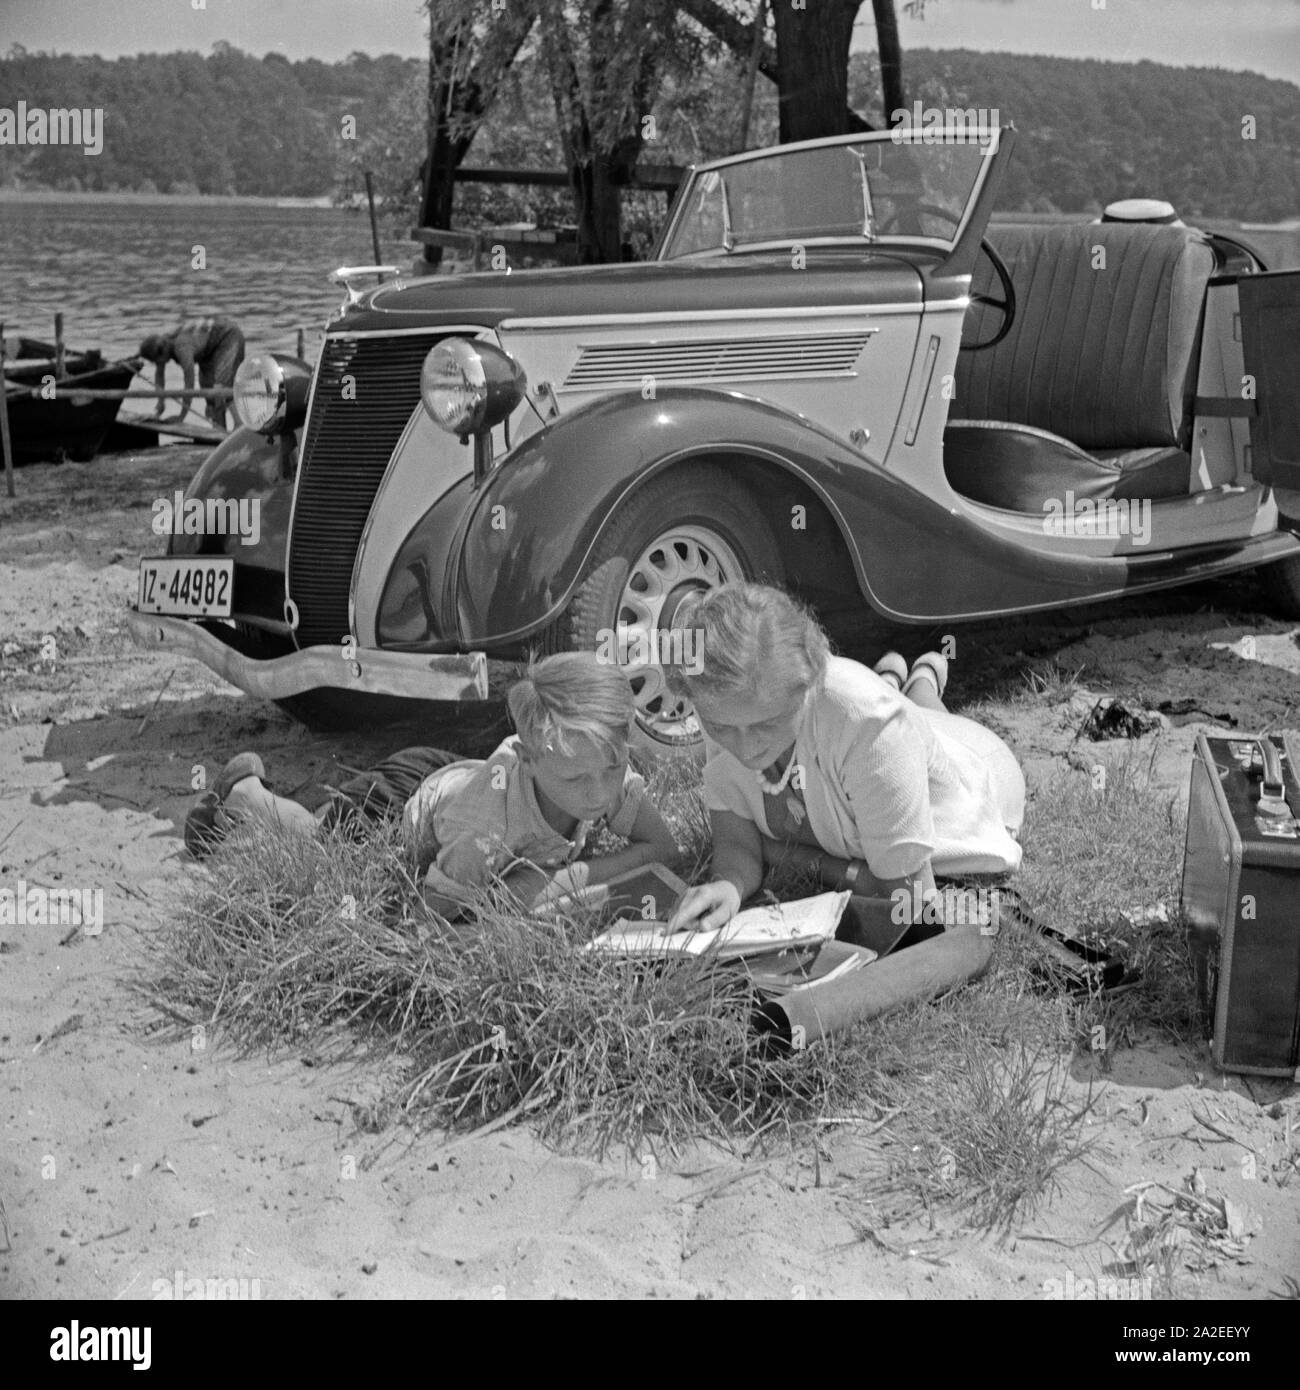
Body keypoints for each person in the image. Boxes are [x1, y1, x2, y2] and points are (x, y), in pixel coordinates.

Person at [183, 651, 681, 917]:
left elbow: (665, 847)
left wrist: (569, 878)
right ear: (529, 759)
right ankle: (247, 794)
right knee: (321, 838)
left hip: (457, 776)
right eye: (575, 777)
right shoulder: (489, 831)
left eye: (613, 768)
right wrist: (537, 891)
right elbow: (434, 912)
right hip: (402, 801)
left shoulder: (593, 762)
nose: (599, 793)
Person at [664, 583, 1025, 933]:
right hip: (888, 723)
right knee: (909, 712)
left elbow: (911, 907)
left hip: (979, 771)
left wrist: (794, 857)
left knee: (921, 716)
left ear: (807, 686)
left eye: (766, 724)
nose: (743, 748)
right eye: (721, 727)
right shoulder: (730, 704)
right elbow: (737, 843)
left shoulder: (870, 725)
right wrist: (728, 885)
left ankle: (923, 677)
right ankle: (898, 679)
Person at [138, 316, 245, 428]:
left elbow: (189, 384)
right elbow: (159, 375)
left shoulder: (181, 348)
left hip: (228, 337)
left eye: (157, 361)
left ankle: (239, 424)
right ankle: (219, 428)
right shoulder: (164, 342)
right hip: (208, 350)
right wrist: (160, 403)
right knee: (208, 390)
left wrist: (181, 416)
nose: (159, 365)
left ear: (163, 352)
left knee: (222, 385)